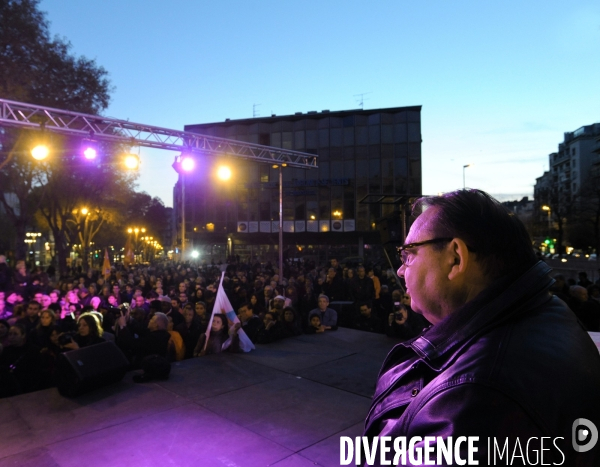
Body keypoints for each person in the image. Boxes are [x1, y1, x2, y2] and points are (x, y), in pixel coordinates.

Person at [364, 189, 600, 466]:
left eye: (409, 254)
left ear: (455, 258)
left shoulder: (476, 398)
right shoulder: (544, 311)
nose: (402, 270)